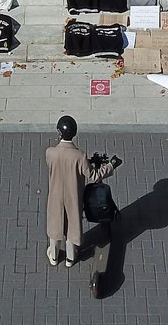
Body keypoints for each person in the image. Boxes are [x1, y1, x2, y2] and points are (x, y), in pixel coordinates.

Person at [45, 115, 118, 268]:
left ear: (59, 132)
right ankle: (71, 258)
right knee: (72, 225)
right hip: (73, 197)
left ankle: (54, 255)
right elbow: (94, 176)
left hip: (55, 196)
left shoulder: (50, 153)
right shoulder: (80, 156)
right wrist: (110, 166)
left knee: (55, 223)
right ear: (75, 133)